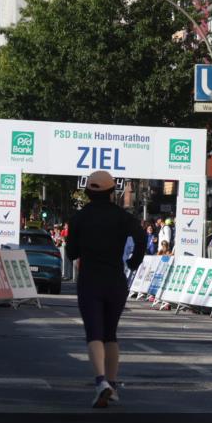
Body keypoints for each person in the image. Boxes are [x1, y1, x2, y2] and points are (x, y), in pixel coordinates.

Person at [66, 171, 146, 408]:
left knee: (94, 333)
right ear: (112, 192)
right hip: (115, 281)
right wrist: (134, 261)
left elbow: (71, 253)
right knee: (110, 333)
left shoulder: (79, 218)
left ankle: (101, 381)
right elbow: (141, 237)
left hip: (90, 280)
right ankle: (112, 383)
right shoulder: (122, 216)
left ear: (88, 192)